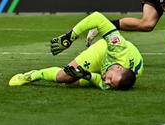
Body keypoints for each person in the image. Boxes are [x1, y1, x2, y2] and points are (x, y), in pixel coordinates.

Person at [9, 11, 143, 90]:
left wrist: (88, 76)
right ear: (119, 68)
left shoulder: (116, 83)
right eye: (110, 79)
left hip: (113, 64)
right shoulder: (118, 48)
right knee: (64, 77)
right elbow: (97, 17)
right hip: (104, 50)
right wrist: (70, 36)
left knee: (71, 83)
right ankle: (32, 75)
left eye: (110, 84)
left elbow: (101, 82)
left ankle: (82, 75)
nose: (107, 81)